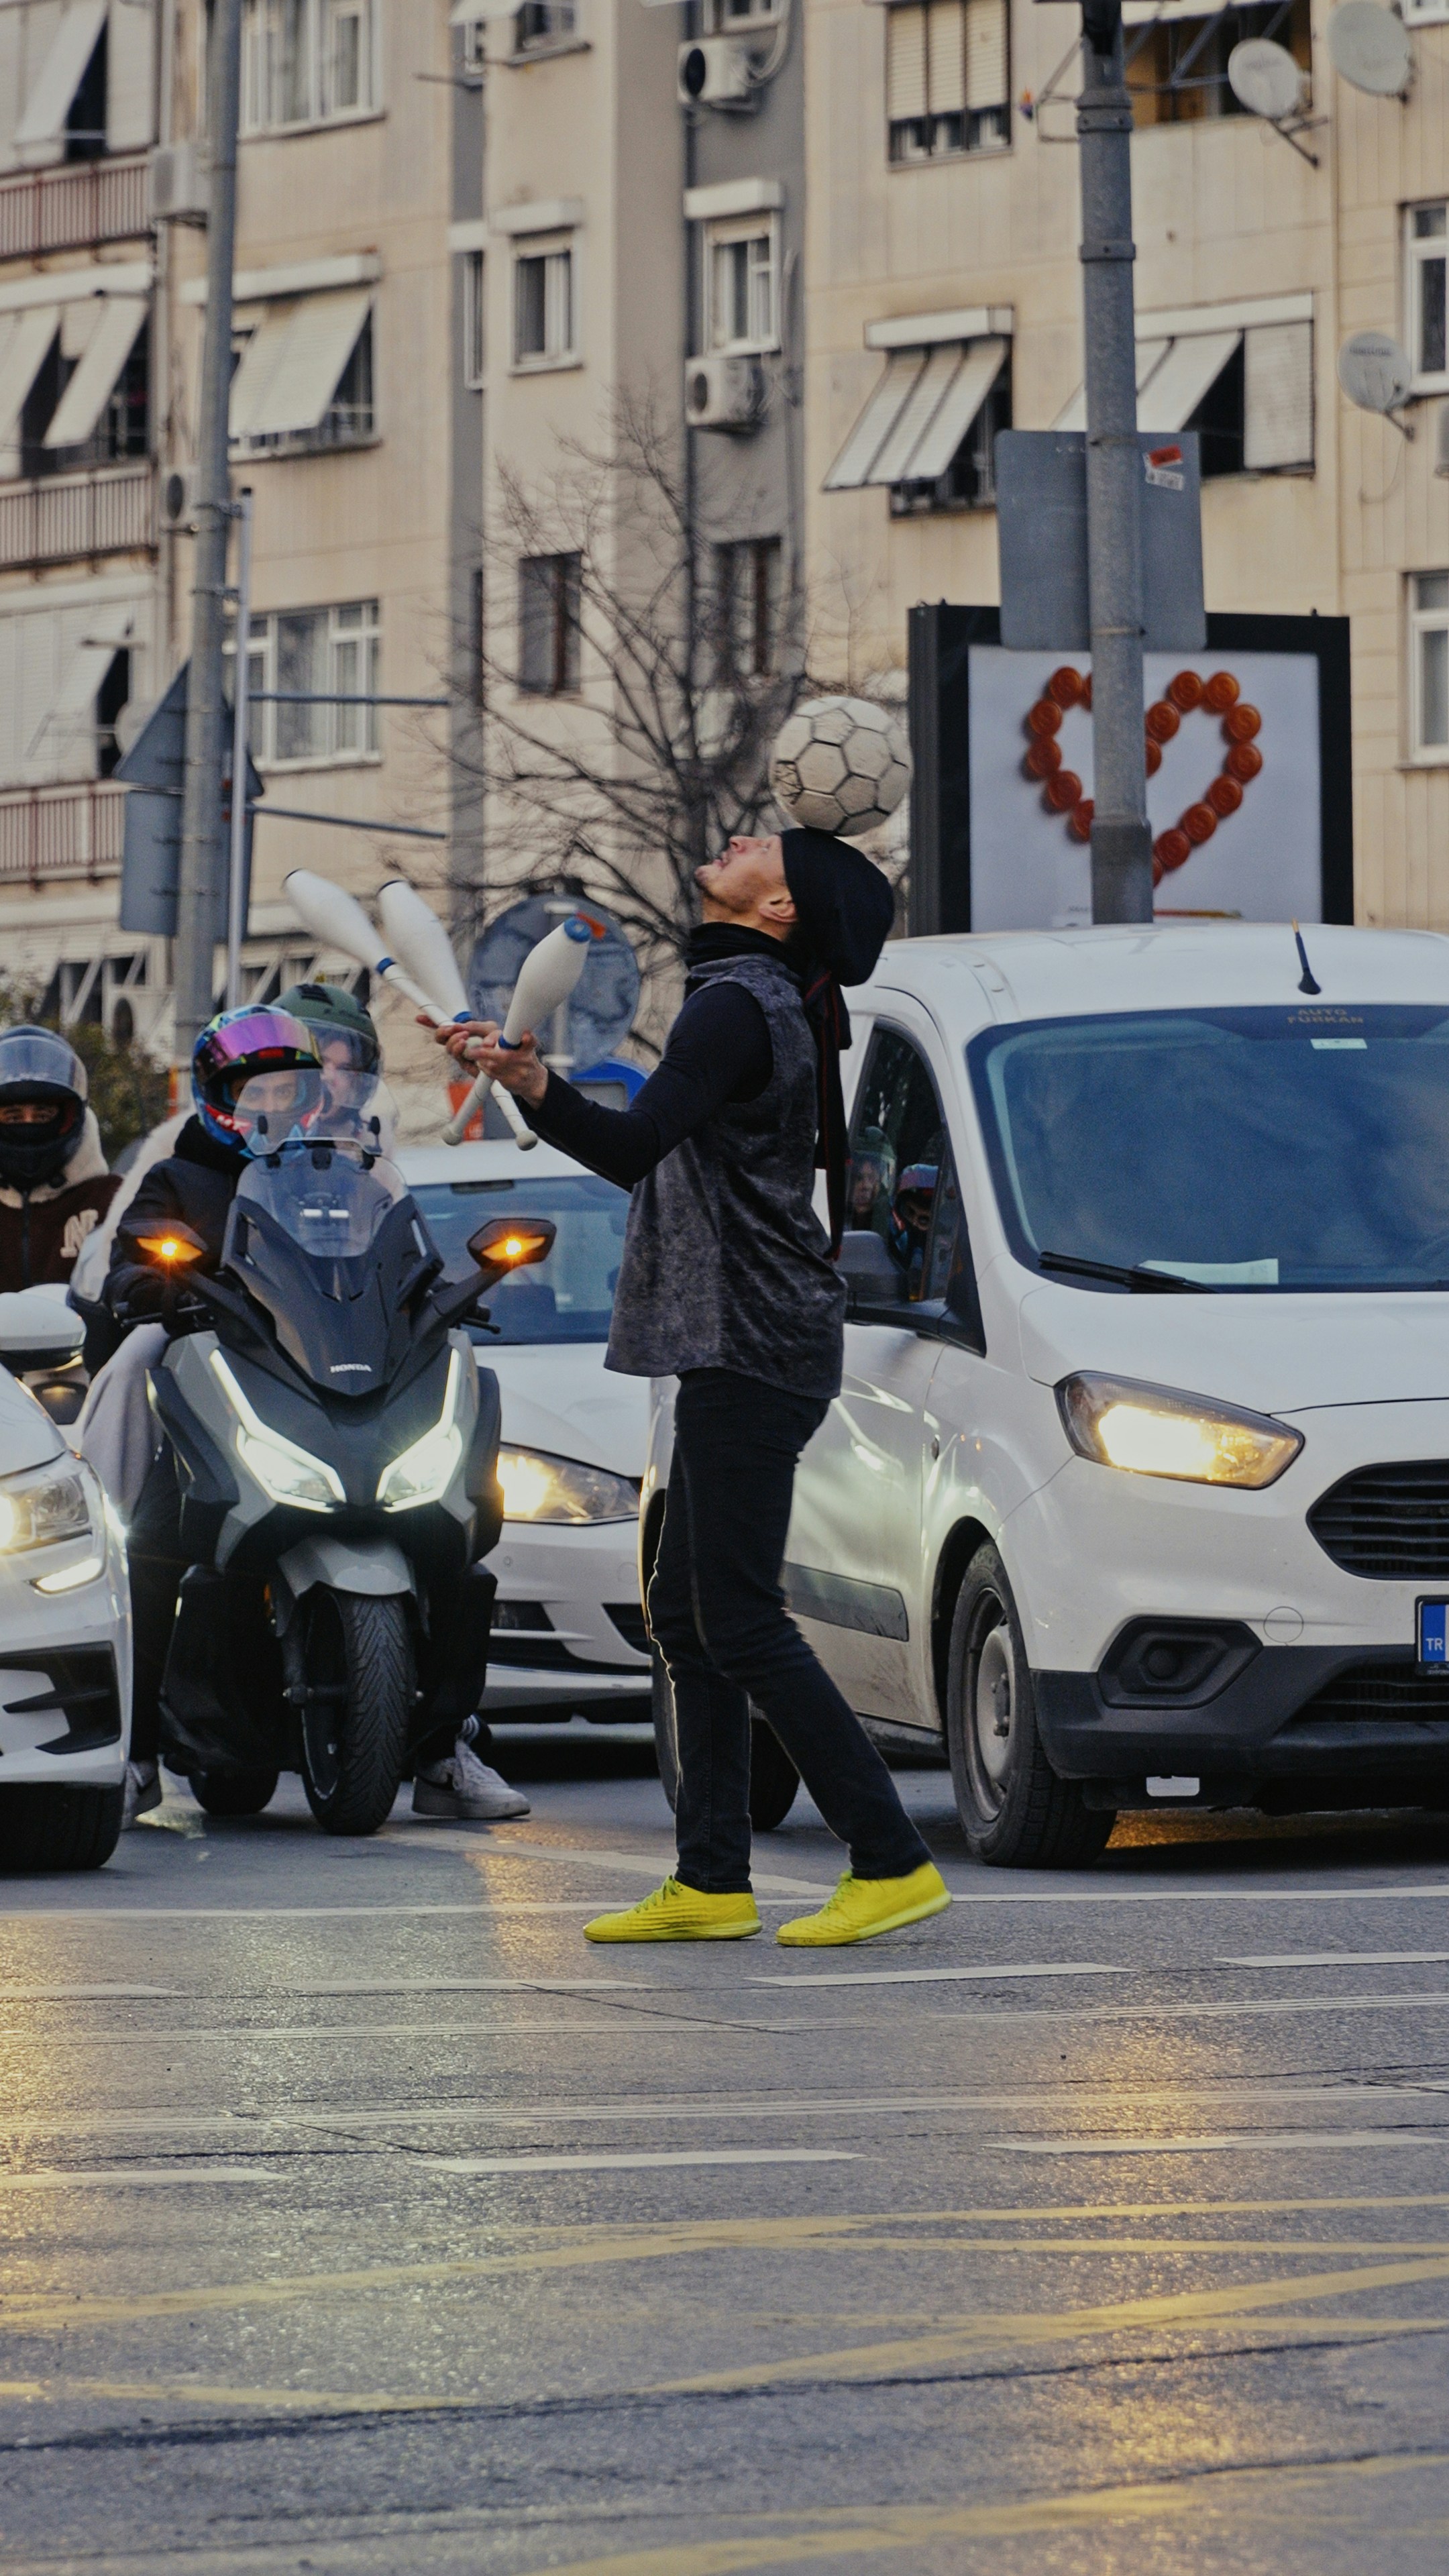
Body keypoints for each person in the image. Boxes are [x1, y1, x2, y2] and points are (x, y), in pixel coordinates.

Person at [435, 829, 949, 1947]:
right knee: (684, 1609)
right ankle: (713, 1879)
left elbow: (632, 1149)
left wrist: (533, 1082)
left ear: (777, 910)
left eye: (767, 846)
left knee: (739, 1615)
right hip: (744, 1336)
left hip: (750, 1341)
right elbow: (652, 1143)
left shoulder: (737, 1005)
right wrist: (527, 1079)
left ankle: (890, 1855)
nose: (743, 836)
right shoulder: (753, 996)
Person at [276, 983, 528, 1825]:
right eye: (318, 1068)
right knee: (151, 1464)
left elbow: (408, 1265)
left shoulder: (382, 1171)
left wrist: (453, 1291)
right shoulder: (216, 1145)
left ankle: (445, 1745)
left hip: (360, 1378)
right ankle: (130, 1745)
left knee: (455, 1541)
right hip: (267, 1374)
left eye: (349, 1069)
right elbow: (155, 1238)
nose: (334, 1085)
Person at [102, 1007, 325, 1825]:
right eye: (255, 1087)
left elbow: (390, 1247)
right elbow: (126, 1270)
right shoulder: (176, 1176)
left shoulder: (335, 1169)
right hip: (218, 1389)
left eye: (286, 1086)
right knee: (154, 1540)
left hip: (326, 1384)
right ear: (219, 1094)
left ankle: (449, 1745)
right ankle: (133, 1755)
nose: (271, 1102)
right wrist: (151, 1283)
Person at [0, 1025, 119, 1291]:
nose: (29, 1125)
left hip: (91, 1333)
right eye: (13, 1117)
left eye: (43, 1116)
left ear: (71, 1118)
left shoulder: (114, 1201)